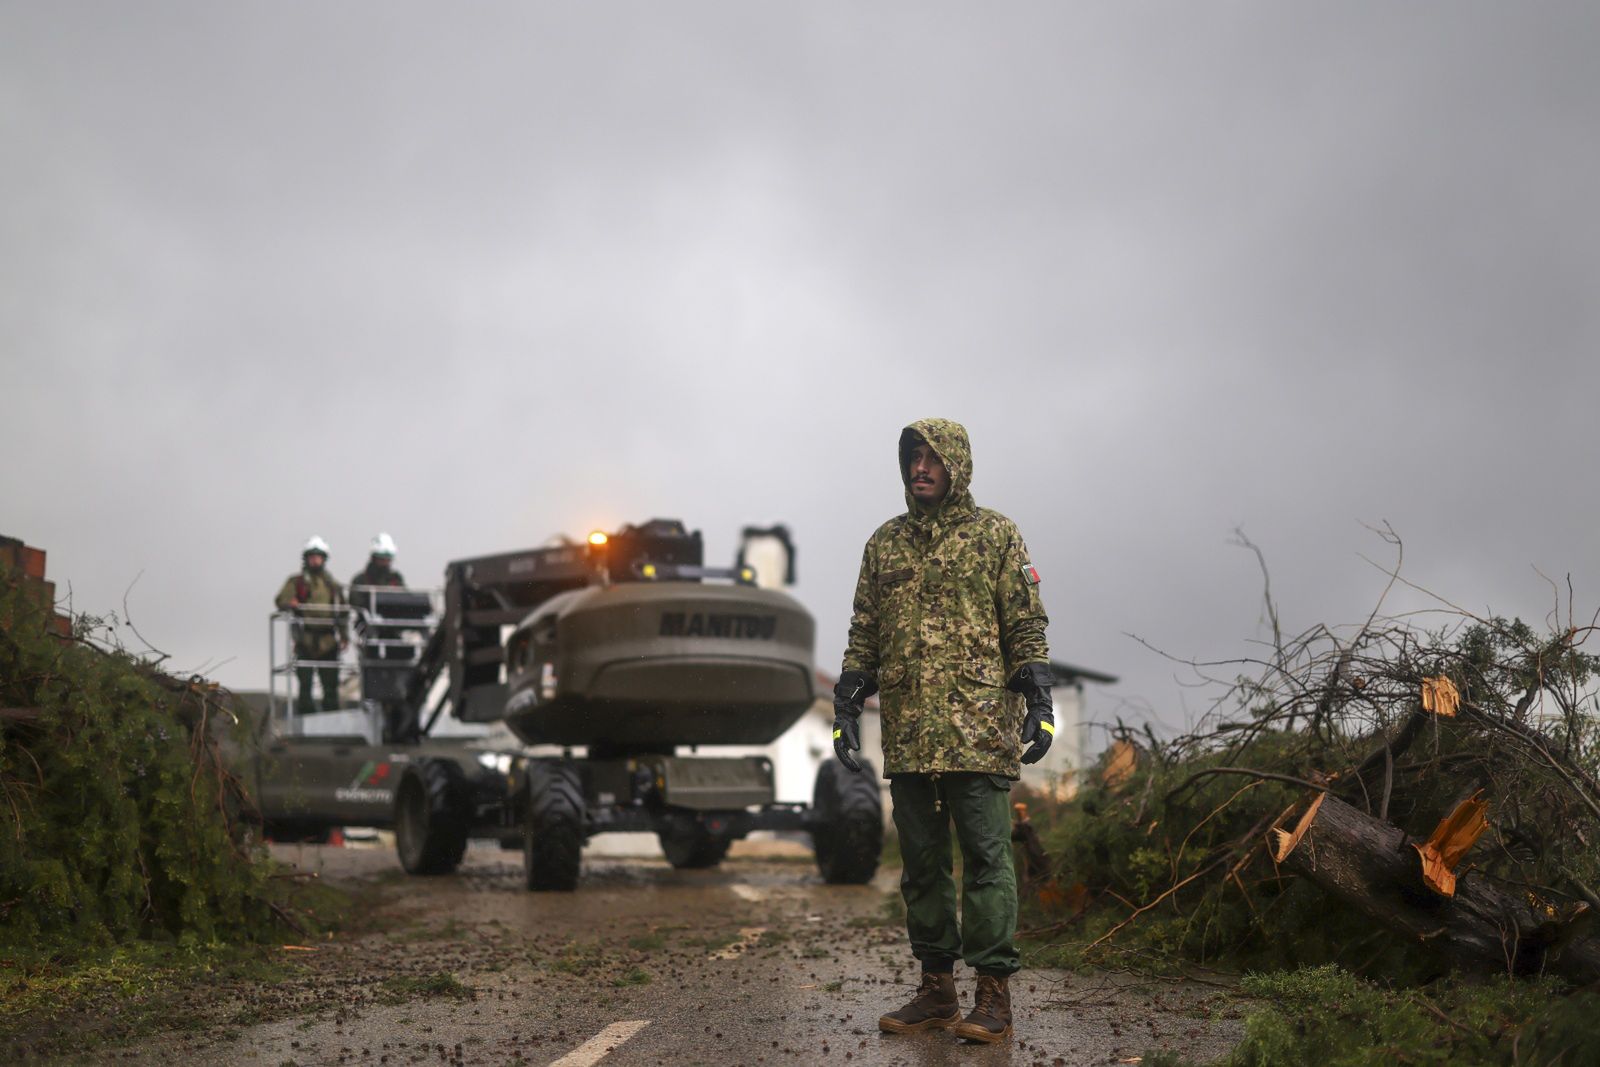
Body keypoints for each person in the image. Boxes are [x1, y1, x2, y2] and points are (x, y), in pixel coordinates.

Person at [833, 418, 1054, 1044]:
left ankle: (993, 996)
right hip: (908, 735)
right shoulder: (885, 544)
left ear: (957, 463)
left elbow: (1025, 625)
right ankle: (936, 990)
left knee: (987, 862)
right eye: (912, 457)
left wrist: (1039, 700)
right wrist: (847, 706)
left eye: (933, 457)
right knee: (923, 866)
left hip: (980, 729)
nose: (920, 468)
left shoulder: (996, 536)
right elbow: (865, 633)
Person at [273, 536, 347, 714]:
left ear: (324, 559)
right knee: (305, 683)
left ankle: (332, 720)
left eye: (318, 556)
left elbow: (343, 611)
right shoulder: (296, 582)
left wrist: (344, 636)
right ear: (306, 558)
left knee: (330, 684)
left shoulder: (333, 585)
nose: (315, 559)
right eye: (312, 556)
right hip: (305, 639)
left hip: (328, 639)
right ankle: (305, 717)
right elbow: (280, 600)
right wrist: (289, 603)